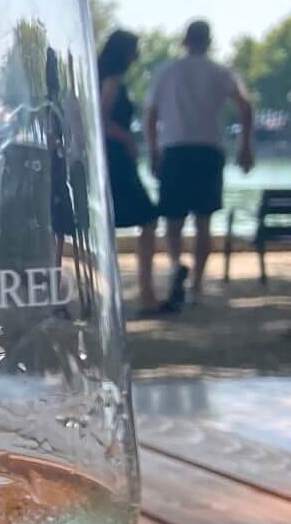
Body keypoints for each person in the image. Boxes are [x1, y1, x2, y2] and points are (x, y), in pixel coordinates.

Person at [145, 19, 254, 311]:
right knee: (204, 220)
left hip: (176, 150)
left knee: (173, 219)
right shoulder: (220, 72)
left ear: (184, 41)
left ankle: (176, 265)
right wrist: (245, 145)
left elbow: (151, 115)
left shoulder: (167, 72)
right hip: (209, 149)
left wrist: (153, 152)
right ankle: (196, 285)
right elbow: (245, 105)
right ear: (208, 41)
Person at [97, 30, 161, 314]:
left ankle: (112, 292)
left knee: (108, 222)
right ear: (124, 52)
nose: (138, 55)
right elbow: (101, 118)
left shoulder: (99, 76)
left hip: (109, 159)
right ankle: (145, 292)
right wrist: (127, 138)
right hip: (115, 160)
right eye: (135, 49)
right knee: (147, 218)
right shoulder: (112, 81)